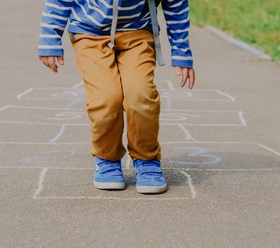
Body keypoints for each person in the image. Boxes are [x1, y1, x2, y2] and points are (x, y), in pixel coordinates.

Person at [37, 0, 195, 194]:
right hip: (90, 32)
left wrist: (181, 51)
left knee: (140, 94)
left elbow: (176, 4)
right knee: (106, 98)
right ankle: (107, 158)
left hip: (137, 31)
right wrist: (49, 40)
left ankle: (147, 159)